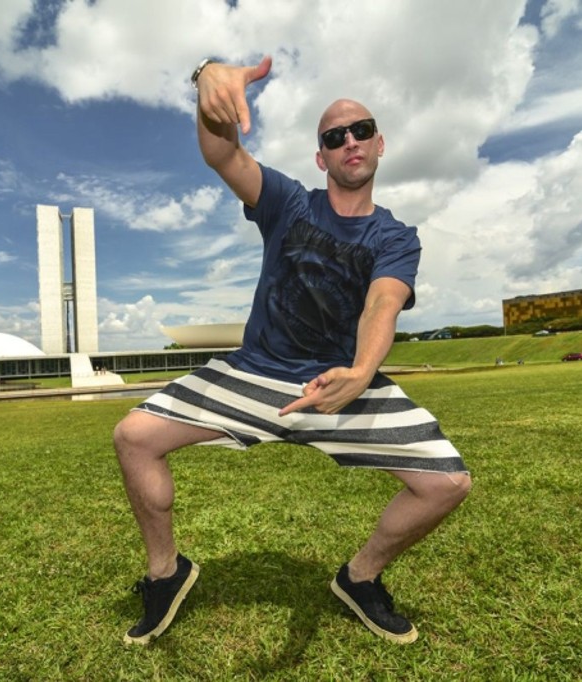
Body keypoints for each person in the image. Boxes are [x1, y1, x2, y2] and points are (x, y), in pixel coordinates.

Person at [114, 55, 471, 646]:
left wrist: (361, 371)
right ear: (321, 156)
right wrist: (206, 83)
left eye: (360, 131)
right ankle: (165, 573)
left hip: (337, 382)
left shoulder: (395, 237)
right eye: (335, 137)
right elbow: (223, 155)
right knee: (133, 437)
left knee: (447, 484)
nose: (349, 141)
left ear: (379, 143)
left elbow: (382, 303)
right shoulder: (289, 201)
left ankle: (360, 579)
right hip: (251, 371)